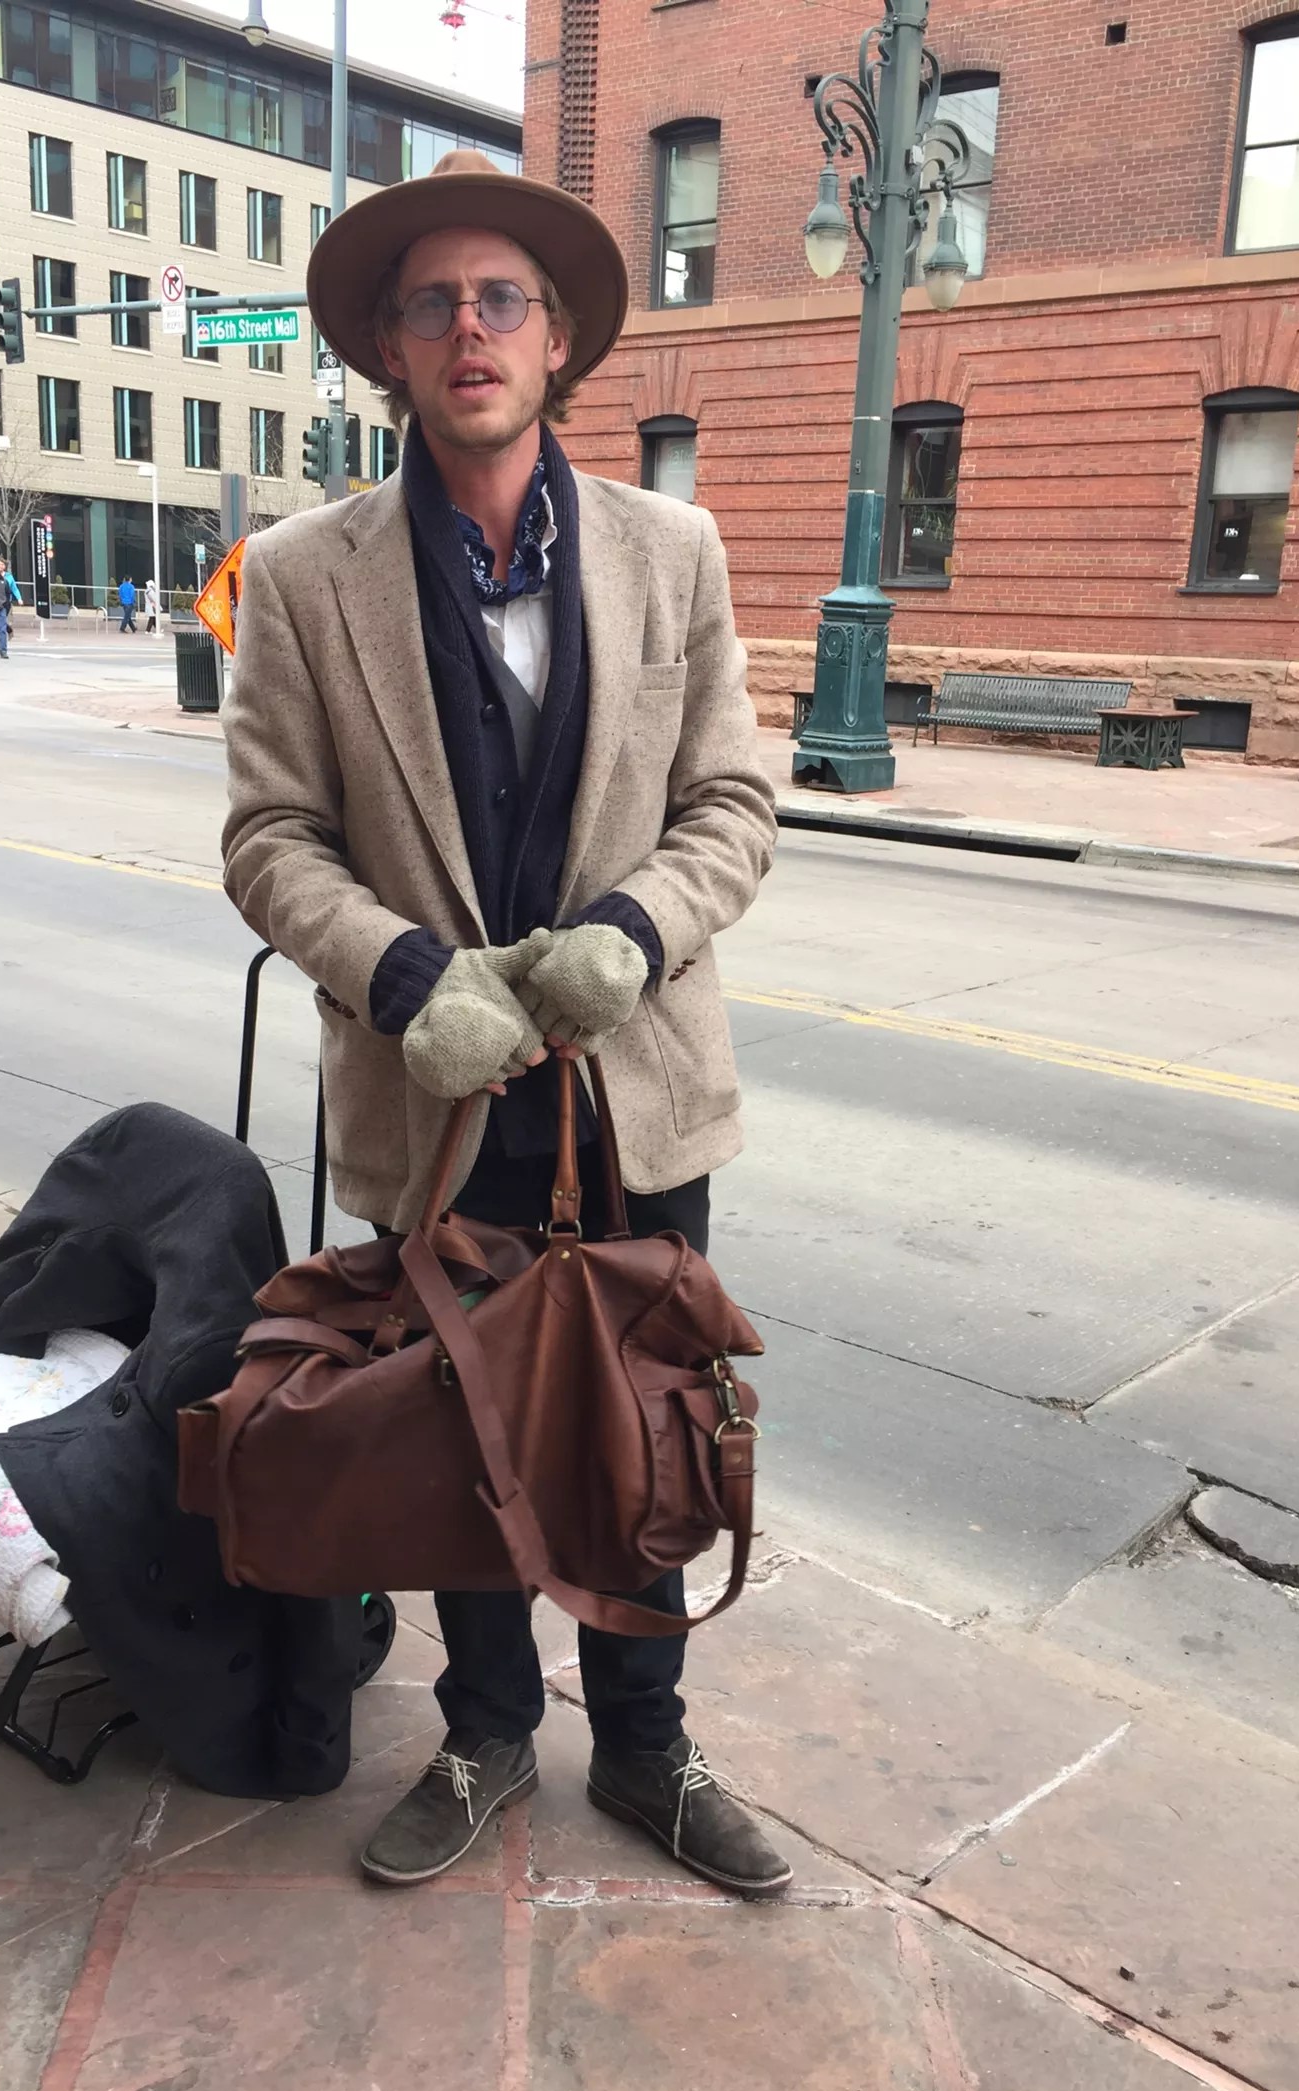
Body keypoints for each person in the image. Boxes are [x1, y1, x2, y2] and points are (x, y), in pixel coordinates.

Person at [222, 152, 786, 1896]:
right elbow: (269, 839)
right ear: (391, 351)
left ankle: (645, 1745)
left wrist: (635, 932)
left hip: (635, 1088)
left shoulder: (671, 551)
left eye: (500, 299)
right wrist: (407, 978)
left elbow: (734, 803)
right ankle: (484, 1736)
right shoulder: (303, 577)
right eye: (432, 304)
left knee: (643, 1425)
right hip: (439, 1097)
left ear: (556, 344)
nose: (468, 329)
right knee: (454, 1433)